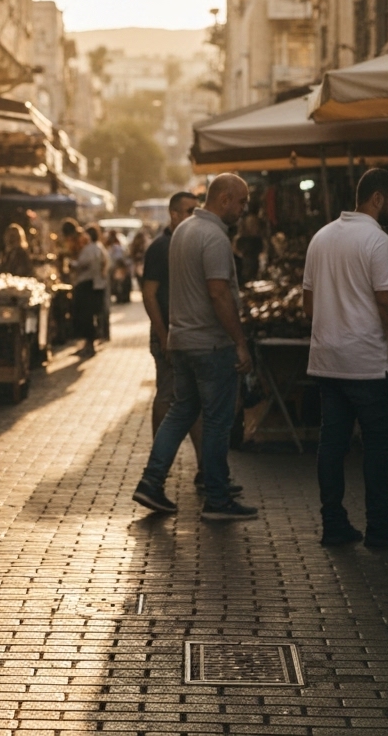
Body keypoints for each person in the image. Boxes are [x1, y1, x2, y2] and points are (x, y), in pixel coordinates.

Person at [302, 169, 388, 549]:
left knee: (332, 443)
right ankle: (379, 525)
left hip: (327, 361)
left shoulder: (321, 237)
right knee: (378, 444)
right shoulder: (377, 240)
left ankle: (333, 523)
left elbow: (308, 305)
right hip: (367, 363)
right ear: (377, 198)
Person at [132, 174, 256, 520]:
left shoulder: (184, 231)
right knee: (216, 420)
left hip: (182, 340)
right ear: (224, 199)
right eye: (241, 201)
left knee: (182, 411)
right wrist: (240, 342)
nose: (244, 209)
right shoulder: (214, 236)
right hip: (210, 343)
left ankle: (151, 481)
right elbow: (218, 292)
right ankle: (217, 497)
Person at [140, 192, 207, 489]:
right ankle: (158, 470)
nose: (194, 216)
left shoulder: (189, 242)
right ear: (174, 214)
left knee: (191, 401)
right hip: (169, 336)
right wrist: (163, 335)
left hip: (187, 335)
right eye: (189, 210)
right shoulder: (161, 247)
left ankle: (206, 468)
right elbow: (149, 294)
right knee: (168, 398)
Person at [71, 224, 107, 357]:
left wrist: (71, 264)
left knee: (85, 316)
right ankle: (88, 344)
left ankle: (89, 344)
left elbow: (83, 264)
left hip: (87, 284)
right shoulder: (100, 248)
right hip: (96, 284)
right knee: (90, 316)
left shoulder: (90, 249)